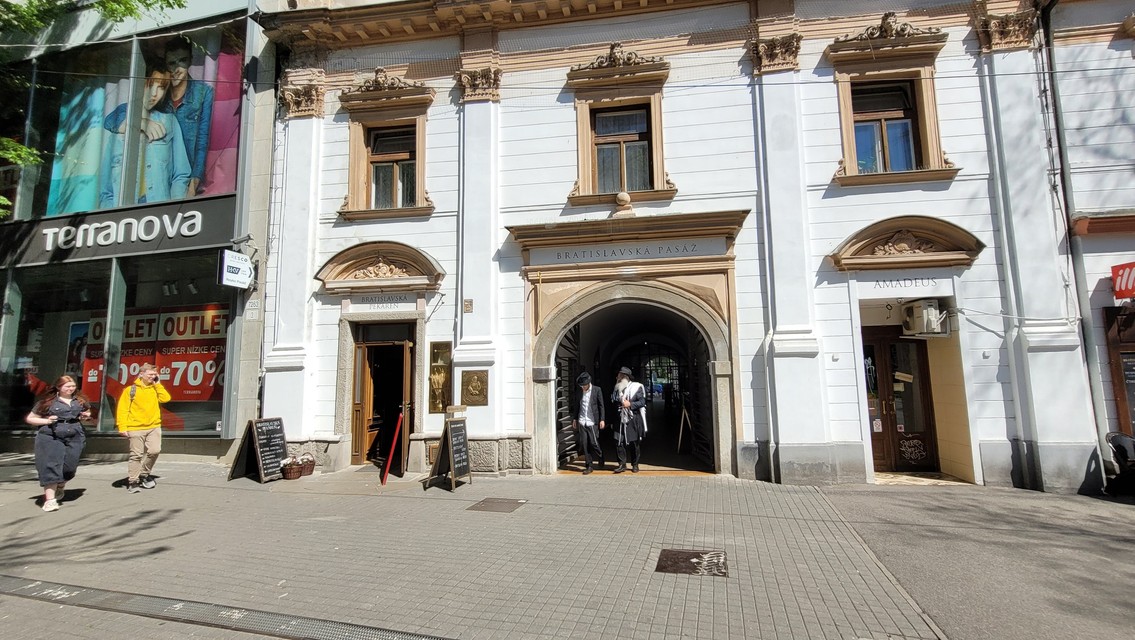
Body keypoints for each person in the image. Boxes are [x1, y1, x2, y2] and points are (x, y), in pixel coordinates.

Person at [99, 66, 191, 207]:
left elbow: (181, 174)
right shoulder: (117, 130)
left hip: (159, 210)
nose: (154, 94)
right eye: (150, 85)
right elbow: (106, 191)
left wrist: (173, 210)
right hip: (124, 214)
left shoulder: (169, 122)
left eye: (161, 87)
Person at [25, 375, 91, 512]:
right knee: (50, 466)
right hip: (51, 436)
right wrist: (46, 421)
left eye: (73, 386)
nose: (71, 389)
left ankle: (60, 485)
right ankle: (50, 500)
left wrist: (85, 416)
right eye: (67, 386)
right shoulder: (47, 402)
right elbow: (31, 418)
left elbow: (87, 411)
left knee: (69, 468)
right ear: (59, 387)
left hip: (74, 435)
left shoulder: (80, 401)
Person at [163, 35, 214, 197]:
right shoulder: (158, 96)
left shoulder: (203, 93)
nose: (177, 69)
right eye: (172, 63)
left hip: (186, 181)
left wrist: (194, 181)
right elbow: (117, 117)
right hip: (159, 177)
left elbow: (203, 140)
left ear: (190, 60)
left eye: (182, 61)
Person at [116, 363, 171, 493]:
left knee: (155, 451)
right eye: (150, 374)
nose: (153, 376)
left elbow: (166, 398)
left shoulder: (155, 388)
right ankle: (133, 481)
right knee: (136, 455)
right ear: (141, 374)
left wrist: (158, 384)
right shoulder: (130, 390)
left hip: (154, 426)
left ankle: (144, 474)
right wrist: (122, 427)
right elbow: (123, 409)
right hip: (135, 427)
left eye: (155, 374)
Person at [610, 366, 646, 473]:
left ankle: (635, 464)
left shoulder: (637, 387)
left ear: (625, 377)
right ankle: (622, 464)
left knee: (634, 443)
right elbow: (613, 404)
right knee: (618, 442)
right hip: (619, 419)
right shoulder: (617, 388)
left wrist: (630, 404)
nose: (617, 378)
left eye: (619, 376)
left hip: (632, 419)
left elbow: (642, 402)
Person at [570, 371, 605, 474]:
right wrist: (575, 419)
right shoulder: (579, 392)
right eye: (581, 386)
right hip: (582, 420)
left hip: (592, 421)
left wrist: (602, 419)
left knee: (594, 442)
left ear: (588, 384)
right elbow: (577, 405)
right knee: (584, 444)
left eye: (584, 386)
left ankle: (601, 455)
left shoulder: (597, 390)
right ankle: (589, 465)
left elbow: (601, 405)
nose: (582, 388)